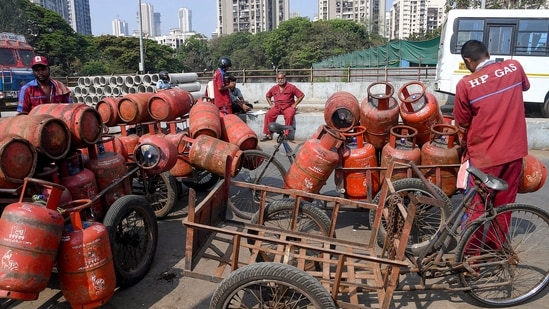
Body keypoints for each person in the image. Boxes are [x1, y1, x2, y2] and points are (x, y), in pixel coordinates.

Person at [453, 40, 530, 241]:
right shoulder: (514, 67)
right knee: (503, 208)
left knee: (476, 209)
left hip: (484, 158)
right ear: (488, 53)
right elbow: (525, 87)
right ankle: (494, 255)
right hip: (514, 153)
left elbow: (462, 122)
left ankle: (471, 261)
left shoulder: (466, 84)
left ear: (468, 61)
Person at [262, 72, 304, 141]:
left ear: (285, 78)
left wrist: (295, 104)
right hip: (277, 107)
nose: (280, 80)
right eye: (279, 78)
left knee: (289, 115)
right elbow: (268, 96)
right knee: (268, 115)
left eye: (282, 78)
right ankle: (268, 134)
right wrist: (271, 104)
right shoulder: (274, 88)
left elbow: (301, 95)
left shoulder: (291, 87)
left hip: (288, 107)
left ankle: (286, 134)